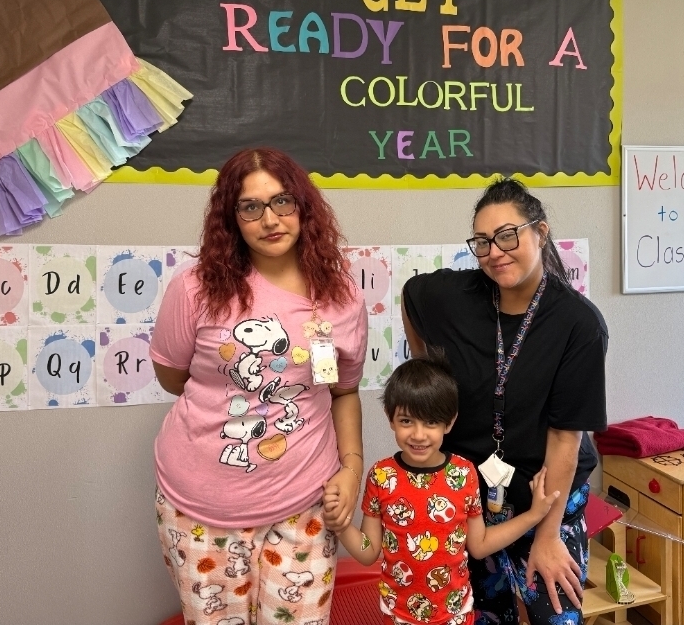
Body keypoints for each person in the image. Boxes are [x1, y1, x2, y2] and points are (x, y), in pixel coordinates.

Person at [150, 147, 367, 625]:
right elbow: (173, 378)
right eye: (251, 206)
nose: (270, 219)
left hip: (304, 506)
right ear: (232, 218)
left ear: (304, 206)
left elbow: (342, 391)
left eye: (282, 201)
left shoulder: (339, 296)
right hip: (199, 511)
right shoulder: (195, 289)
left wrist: (352, 470)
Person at [401, 178, 608, 624]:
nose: (495, 252)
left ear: (541, 232)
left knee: (556, 615)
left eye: (508, 235)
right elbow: (411, 295)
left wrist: (549, 533)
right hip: (473, 498)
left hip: (547, 496)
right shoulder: (454, 297)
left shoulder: (578, 324)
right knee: (484, 616)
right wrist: (429, 378)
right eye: (482, 241)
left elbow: (565, 438)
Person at [324, 350, 560, 625]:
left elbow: (480, 545)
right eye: (406, 421)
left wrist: (534, 515)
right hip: (398, 616)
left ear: (449, 422)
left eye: (431, 422)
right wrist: (339, 525)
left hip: (456, 615)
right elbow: (368, 552)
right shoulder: (381, 475)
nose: (418, 434)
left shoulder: (463, 473)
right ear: (391, 419)